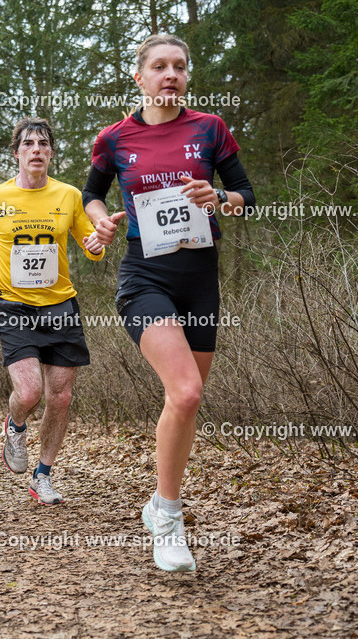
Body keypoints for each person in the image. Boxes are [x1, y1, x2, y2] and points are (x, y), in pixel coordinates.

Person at [83, 34, 255, 571]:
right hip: (144, 277)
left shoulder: (210, 129)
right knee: (185, 390)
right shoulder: (115, 137)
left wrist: (221, 199)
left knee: (187, 402)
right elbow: (93, 193)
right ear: (140, 77)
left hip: (201, 279)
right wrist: (101, 223)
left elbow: (248, 196)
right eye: (159, 67)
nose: (171, 74)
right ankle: (171, 521)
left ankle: (158, 502)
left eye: (179, 66)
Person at [0, 117, 105, 505]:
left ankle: (42, 475)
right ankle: (16, 422)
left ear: (52, 153)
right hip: (13, 305)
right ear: (17, 153)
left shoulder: (69, 196)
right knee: (29, 392)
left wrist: (96, 244)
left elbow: (90, 244)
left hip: (60, 305)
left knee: (60, 398)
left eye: (44, 143)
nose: (37, 150)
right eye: (29, 144)